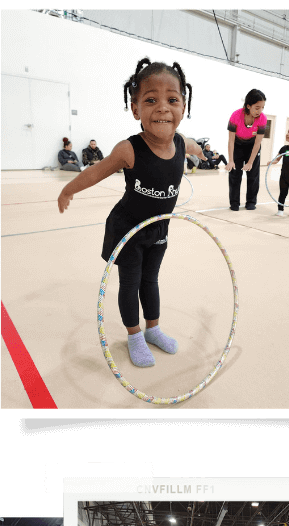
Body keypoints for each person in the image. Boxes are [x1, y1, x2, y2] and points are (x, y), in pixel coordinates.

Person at [58, 58, 207, 368]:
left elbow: (194, 147)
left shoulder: (182, 143)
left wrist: (204, 154)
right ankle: (134, 336)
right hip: (127, 229)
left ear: (183, 106)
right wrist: (68, 188)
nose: (163, 108)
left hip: (158, 230)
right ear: (136, 108)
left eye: (173, 100)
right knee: (130, 283)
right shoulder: (129, 149)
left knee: (150, 281)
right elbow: (96, 172)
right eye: (151, 100)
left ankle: (153, 330)